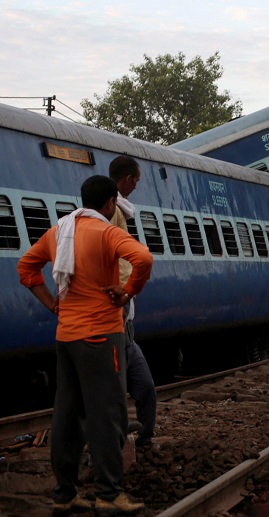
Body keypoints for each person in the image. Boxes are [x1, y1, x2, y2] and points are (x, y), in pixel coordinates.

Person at [17, 175, 153, 514]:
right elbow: (143, 259)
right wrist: (127, 292)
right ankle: (109, 495)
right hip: (101, 337)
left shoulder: (58, 231)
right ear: (109, 204)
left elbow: (26, 268)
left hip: (66, 337)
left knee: (67, 415)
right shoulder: (106, 232)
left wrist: (52, 303)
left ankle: (64, 495)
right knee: (107, 415)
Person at [108, 155, 157, 447]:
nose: (136, 186)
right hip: (117, 312)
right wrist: (127, 290)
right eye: (136, 181)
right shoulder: (111, 211)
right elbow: (137, 259)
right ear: (126, 179)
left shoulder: (119, 212)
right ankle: (113, 445)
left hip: (127, 319)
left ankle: (145, 438)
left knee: (146, 386)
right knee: (114, 386)